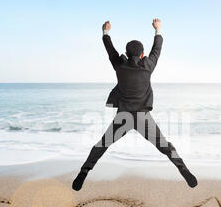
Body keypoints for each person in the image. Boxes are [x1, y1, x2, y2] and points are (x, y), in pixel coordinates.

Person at [72, 19, 197, 191]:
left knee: (102, 145)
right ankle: (184, 170)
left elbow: (110, 51)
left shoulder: (120, 66)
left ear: (126, 53)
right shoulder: (147, 66)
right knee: (166, 147)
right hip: (143, 118)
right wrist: (157, 29)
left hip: (123, 116)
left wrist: (105, 32)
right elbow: (157, 49)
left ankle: (83, 172)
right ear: (142, 54)